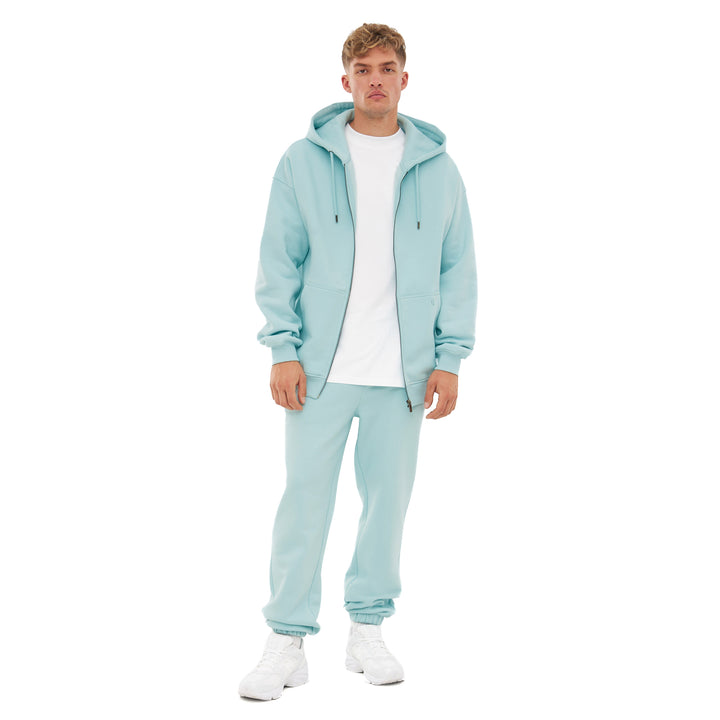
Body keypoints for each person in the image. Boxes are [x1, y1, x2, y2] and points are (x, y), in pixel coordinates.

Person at [238, 23, 477, 701]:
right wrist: (283, 348)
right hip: (318, 372)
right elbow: (279, 259)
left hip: (403, 375)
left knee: (387, 508)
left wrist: (450, 357)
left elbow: (458, 270)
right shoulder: (303, 161)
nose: (376, 79)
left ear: (405, 78)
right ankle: (286, 640)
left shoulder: (439, 169)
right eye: (364, 69)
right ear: (345, 81)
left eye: (387, 67)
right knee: (303, 505)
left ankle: (366, 630)